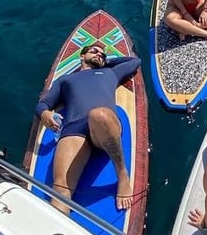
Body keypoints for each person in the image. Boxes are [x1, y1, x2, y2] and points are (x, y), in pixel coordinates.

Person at [34, 43, 142, 212]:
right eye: (94, 52)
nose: (99, 55)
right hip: (74, 128)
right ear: (81, 56)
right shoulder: (65, 80)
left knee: (98, 115)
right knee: (60, 189)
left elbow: (134, 62)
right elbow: (43, 104)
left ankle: (122, 176)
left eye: (102, 55)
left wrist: (105, 62)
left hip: (104, 124)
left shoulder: (110, 72)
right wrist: (45, 114)